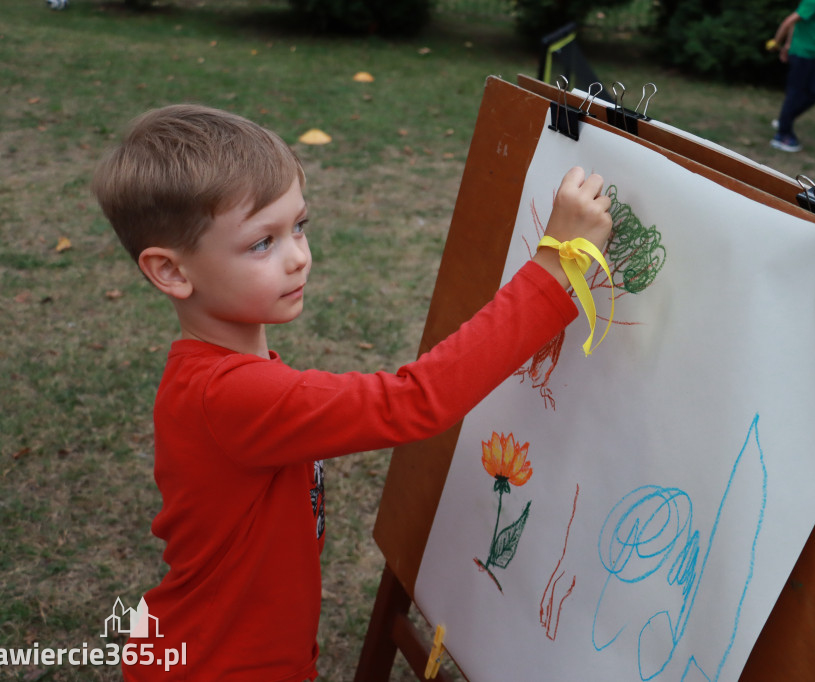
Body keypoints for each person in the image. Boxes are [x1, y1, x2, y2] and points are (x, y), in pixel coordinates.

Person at [90, 103, 614, 681]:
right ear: (170, 272)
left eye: (299, 226)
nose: (298, 256)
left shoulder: (228, 373)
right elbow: (414, 403)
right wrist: (554, 268)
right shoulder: (234, 396)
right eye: (262, 243)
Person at [769, 0, 815, 153]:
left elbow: (796, 22)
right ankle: (782, 135)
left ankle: (784, 121)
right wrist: (776, 42)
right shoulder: (814, 1)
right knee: (795, 94)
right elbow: (789, 21)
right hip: (802, 55)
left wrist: (788, 44)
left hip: (811, 55)